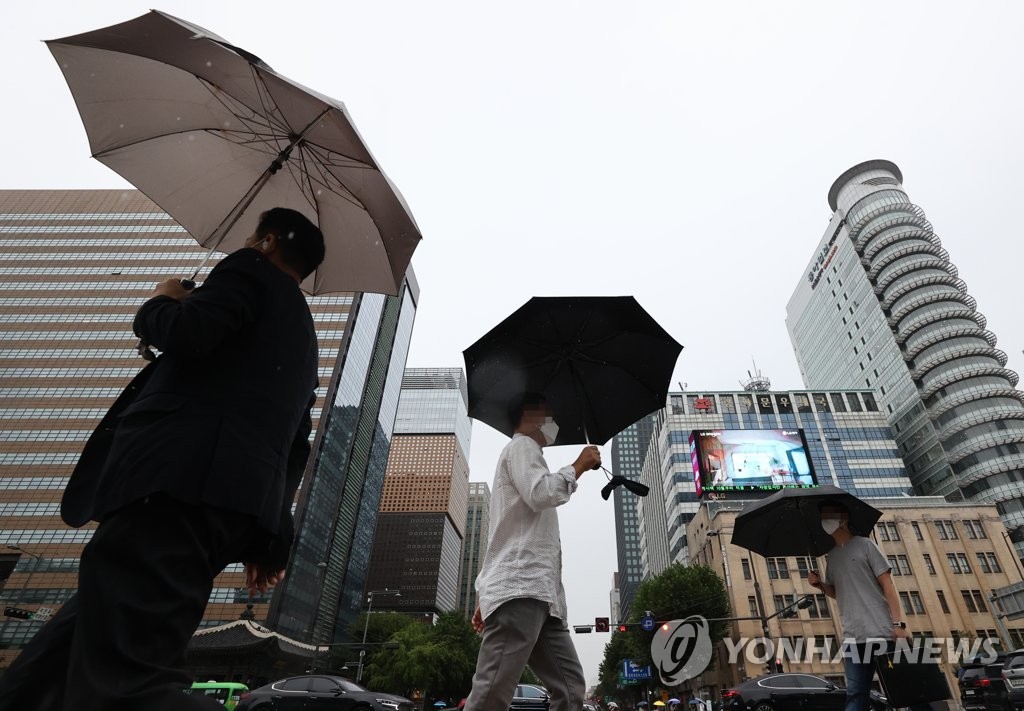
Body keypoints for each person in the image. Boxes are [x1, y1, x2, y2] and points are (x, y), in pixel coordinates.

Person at [0, 207, 325, 711]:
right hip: (223, 505)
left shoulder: (245, 270)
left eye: (249, 236)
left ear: (266, 242)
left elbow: (190, 334)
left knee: (129, 683)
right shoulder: (305, 338)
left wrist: (160, 301)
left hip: (172, 487)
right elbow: (294, 445)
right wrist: (273, 536)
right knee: (53, 664)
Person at [464, 393, 601, 711]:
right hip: (521, 590)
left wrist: (485, 593)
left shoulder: (523, 455)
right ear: (530, 415)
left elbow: (505, 533)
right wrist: (578, 465)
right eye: (548, 415)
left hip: (542, 598)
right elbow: (541, 493)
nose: (553, 423)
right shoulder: (522, 446)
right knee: (492, 693)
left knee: (570, 689)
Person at [807, 500, 925, 711]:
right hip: (854, 637)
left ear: (843, 519)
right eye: (823, 516)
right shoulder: (831, 557)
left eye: (829, 515)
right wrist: (820, 586)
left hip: (883, 632)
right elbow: (837, 592)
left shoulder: (866, 545)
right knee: (855, 695)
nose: (825, 520)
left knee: (910, 690)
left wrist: (899, 624)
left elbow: (888, 584)